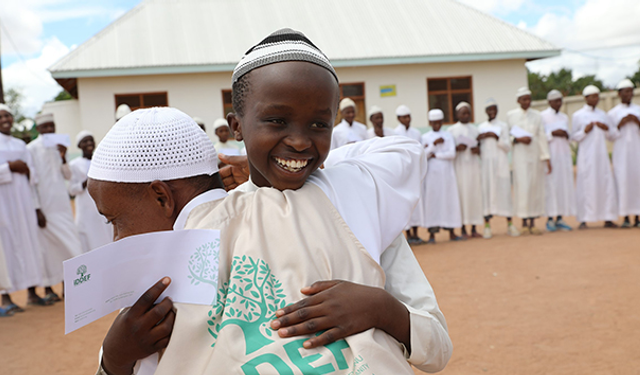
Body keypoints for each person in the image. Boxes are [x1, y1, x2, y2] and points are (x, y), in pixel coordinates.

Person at [96, 29, 450, 375]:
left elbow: (436, 348)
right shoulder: (201, 236)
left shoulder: (357, 203)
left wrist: (382, 309)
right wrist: (113, 361)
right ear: (237, 126)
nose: (299, 141)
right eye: (276, 121)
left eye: (318, 124)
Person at [27, 113, 82, 302]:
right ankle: (50, 288)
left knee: (71, 246)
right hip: (45, 207)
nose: (50, 130)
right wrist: (36, 208)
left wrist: (64, 156)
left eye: (52, 126)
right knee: (49, 249)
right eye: (45, 127)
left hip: (62, 206)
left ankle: (69, 286)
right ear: (39, 129)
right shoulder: (31, 149)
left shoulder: (59, 147)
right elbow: (31, 182)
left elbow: (68, 176)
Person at [0, 104, 48, 312]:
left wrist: (37, 207)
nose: (5, 119)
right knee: (6, 247)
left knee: (29, 245)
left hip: (24, 203)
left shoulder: (22, 145)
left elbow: (33, 176)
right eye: (1, 116)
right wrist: (9, 167)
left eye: (8, 115)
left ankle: (31, 291)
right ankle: (6, 297)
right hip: (3, 206)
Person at [571, 85, 619, 229]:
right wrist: (585, 131)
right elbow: (574, 136)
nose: (596, 99)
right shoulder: (578, 115)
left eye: (597, 96)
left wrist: (606, 128)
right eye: (592, 96)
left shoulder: (603, 114)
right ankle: (584, 219)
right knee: (586, 185)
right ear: (586, 98)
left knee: (605, 184)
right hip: (586, 157)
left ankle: (608, 218)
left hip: (602, 157)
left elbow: (613, 135)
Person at [507, 87, 551, 235]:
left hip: (534, 157)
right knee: (522, 188)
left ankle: (533, 222)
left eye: (528, 99)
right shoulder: (511, 116)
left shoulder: (537, 116)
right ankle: (524, 222)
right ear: (518, 101)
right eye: (524, 99)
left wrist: (546, 158)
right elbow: (507, 137)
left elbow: (541, 137)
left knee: (534, 188)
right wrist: (517, 139)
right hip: (520, 158)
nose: (527, 102)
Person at [478, 98, 519, 238]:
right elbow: (479, 148)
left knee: (504, 193)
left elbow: (508, 146)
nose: (492, 112)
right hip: (486, 166)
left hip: (501, 164)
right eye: (489, 110)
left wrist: (496, 137)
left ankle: (510, 224)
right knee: (487, 194)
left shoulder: (503, 126)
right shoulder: (481, 126)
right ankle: (487, 226)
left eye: (494, 109)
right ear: (486, 111)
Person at [421, 109, 463, 243]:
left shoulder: (448, 135)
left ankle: (451, 232)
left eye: (439, 122)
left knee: (448, 201)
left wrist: (436, 155)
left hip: (447, 175)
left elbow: (452, 154)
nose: (436, 125)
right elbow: (423, 156)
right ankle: (432, 235)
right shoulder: (425, 137)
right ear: (430, 123)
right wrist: (434, 145)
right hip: (432, 176)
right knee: (433, 202)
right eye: (434, 123)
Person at [68, 131, 113, 252]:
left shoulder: (101, 161)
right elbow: (71, 190)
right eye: (85, 141)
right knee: (88, 238)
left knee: (105, 236)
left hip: (102, 206)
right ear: (79, 145)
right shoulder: (74, 165)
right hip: (85, 209)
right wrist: (85, 183)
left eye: (91, 140)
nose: (89, 143)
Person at [448, 102, 483, 238]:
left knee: (474, 196)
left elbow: (481, 150)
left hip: (473, 167)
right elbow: (449, 151)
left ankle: (473, 228)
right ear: (457, 114)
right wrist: (457, 149)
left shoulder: (475, 130)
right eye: (463, 113)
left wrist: (477, 149)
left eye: (468, 113)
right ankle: (462, 229)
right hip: (459, 168)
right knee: (462, 197)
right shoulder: (451, 130)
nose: (466, 115)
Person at [541, 90, 575, 231]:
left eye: (560, 100)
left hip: (564, 156)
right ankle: (550, 219)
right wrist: (553, 133)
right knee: (551, 187)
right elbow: (541, 136)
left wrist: (566, 134)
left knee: (563, 187)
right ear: (549, 102)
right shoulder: (542, 116)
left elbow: (570, 136)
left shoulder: (564, 117)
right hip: (551, 156)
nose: (558, 103)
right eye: (555, 101)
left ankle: (560, 218)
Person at [608, 79, 640, 228]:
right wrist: (620, 124)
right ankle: (626, 217)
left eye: (631, 91)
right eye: (626, 91)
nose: (629, 94)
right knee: (623, 181)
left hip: (637, 152)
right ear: (619, 94)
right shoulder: (613, 113)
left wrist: (637, 121)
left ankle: (638, 217)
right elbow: (609, 136)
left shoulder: (638, 109)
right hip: (621, 154)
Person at [392, 104, 424, 242]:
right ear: (398, 119)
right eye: (404, 117)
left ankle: (416, 233)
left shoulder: (416, 133)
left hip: (415, 173)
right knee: (406, 202)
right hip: (403, 174)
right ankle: (409, 234)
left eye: (408, 117)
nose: (407, 119)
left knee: (416, 202)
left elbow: (422, 150)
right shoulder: (394, 133)